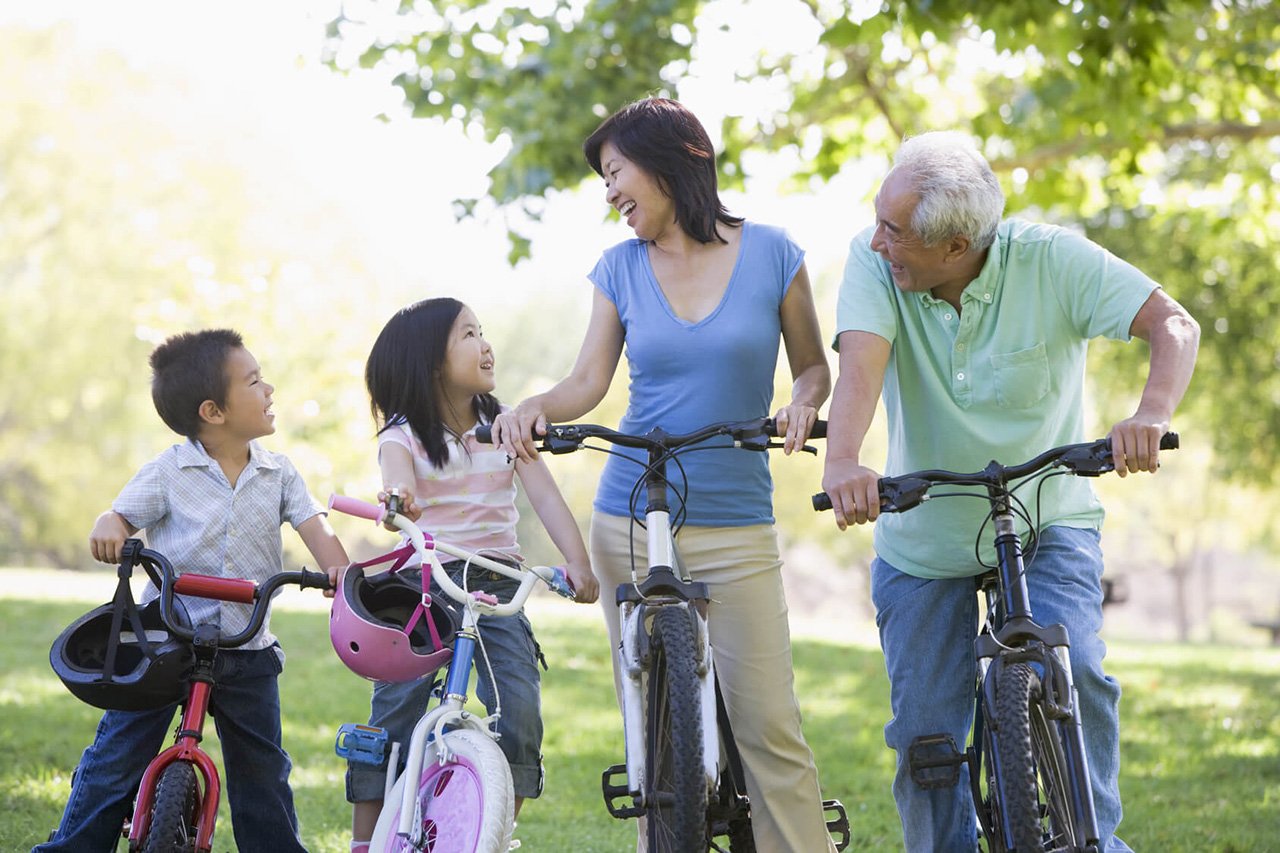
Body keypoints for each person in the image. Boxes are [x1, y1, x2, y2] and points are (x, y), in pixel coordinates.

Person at [821, 130, 1200, 851]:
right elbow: (860, 372)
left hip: (1046, 513)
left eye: (894, 230)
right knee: (926, 733)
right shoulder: (876, 267)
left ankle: (1095, 841)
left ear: (956, 246)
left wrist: (1151, 414)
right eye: (879, 220)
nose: (878, 241)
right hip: (924, 526)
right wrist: (843, 460)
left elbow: (1173, 324)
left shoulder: (1051, 259)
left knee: (1076, 666)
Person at [492, 97, 839, 852]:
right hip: (630, 517)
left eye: (616, 171)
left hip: (737, 517)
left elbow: (813, 367)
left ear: (673, 159)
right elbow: (587, 380)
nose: (610, 191)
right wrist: (533, 406)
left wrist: (802, 402)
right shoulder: (619, 267)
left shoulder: (775, 252)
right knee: (651, 735)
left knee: (770, 729)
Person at [36, 329, 350, 853]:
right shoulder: (169, 470)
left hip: (245, 648)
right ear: (214, 411)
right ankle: (73, 846)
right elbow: (118, 515)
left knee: (263, 773)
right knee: (117, 756)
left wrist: (338, 571)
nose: (269, 389)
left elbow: (316, 529)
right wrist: (110, 526)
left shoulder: (279, 473)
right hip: (166, 639)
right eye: (253, 381)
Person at [346, 298, 599, 853]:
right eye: (468, 334)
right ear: (431, 362)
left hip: (496, 582)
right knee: (392, 715)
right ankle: (365, 842)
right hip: (424, 587)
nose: (485, 343)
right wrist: (398, 499)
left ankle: (490, 834)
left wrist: (578, 563)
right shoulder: (403, 433)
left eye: (482, 331)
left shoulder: (504, 425)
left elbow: (546, 497)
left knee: (520, 712)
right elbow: (395, 478)